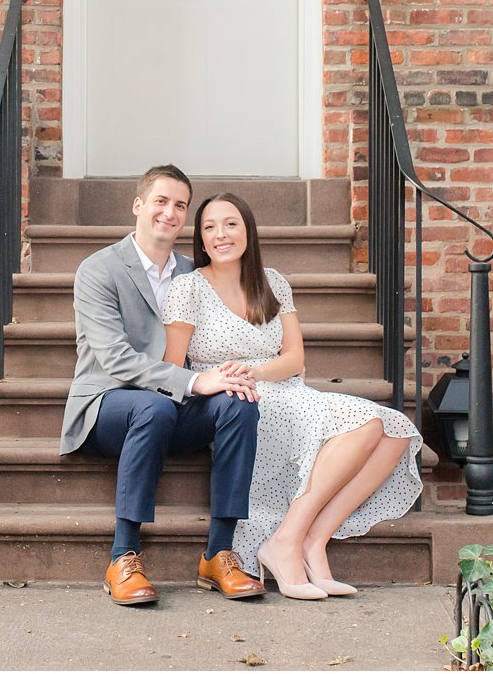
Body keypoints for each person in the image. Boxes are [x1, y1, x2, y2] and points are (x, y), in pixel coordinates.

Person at [162, 192, 422, 600]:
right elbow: (173, 367)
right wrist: (219, 379)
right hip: (231, 399)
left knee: (396, 432)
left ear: (248, 230)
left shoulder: (273, 281)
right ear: (200, 238)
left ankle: (310, 540)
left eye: (230, 224)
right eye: (209, 227)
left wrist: (259, 370)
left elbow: (296, 357)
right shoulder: (187, 289)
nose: (220, 235)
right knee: (368, 424)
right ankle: (285, 543)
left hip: (282, 387)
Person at [59, 165, 267, 606]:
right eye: (160, 201)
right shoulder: (98, 269)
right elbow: (113, 357)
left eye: (179, 205)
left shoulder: (195, 272)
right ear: (138, 205)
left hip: (172, 408)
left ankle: (218, 553)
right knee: (152, 408)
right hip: (106, 405)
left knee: (239, 404)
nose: (169, 212)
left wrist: (230, 377)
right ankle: (123, 556)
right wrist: (194, 380)